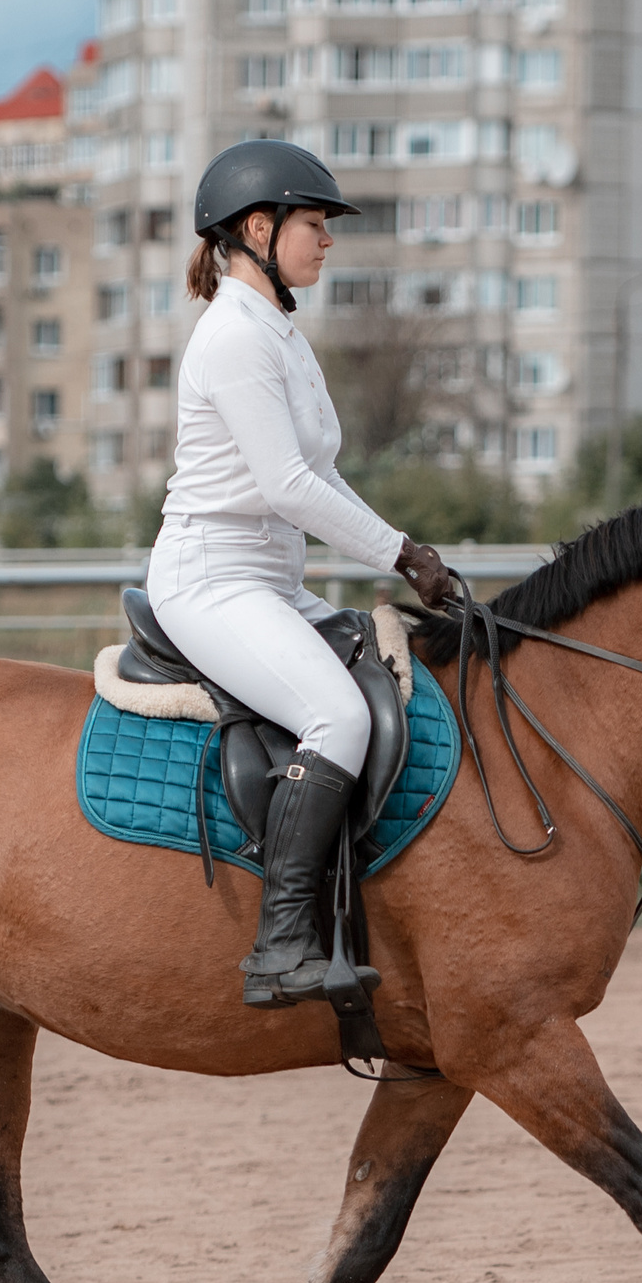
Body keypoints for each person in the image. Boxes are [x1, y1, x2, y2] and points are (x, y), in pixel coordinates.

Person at [151, 141, 458, 1010]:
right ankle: (280, 945)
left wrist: (407, 547)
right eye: (314, 225)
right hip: (212, 582)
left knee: (385, 674)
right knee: (336, 714)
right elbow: (287, 487)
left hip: (271, 582)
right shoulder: (233, 339)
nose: (327, 241)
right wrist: (402, 554)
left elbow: (318, 478)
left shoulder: (278, 331)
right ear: (258, 228)